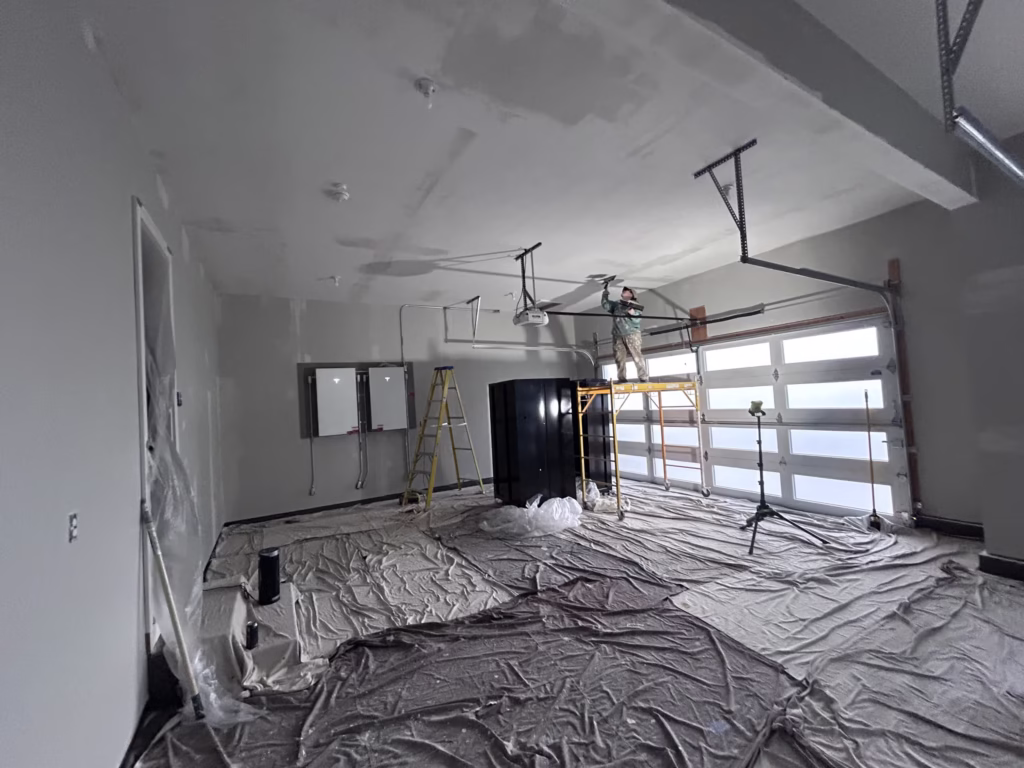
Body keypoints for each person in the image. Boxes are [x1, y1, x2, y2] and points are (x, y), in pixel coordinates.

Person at [602, 284, 649, 382]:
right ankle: (622, 379)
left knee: (636, 356)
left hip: (632, 334)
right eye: (624, 291)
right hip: (618, 335)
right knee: (619, 358)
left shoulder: (636, 306)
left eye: (628, 292)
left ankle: (643, 377)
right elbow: (606, 305)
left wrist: (633, 314)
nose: (625, 293)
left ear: (632, 295)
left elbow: (637, 320)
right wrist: (605, 293)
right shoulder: (617, 305)